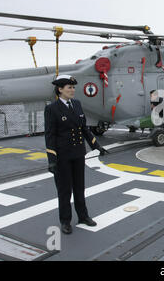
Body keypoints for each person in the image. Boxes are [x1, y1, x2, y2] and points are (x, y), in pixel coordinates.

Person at [45, 75, 109, 235]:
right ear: (60, 90)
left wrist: (97, 145)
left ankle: (83, 216)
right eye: (69, 88)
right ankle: (65, 221)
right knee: (65, 190)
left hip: (78, 154)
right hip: (62, 156)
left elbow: (84, 128)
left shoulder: (77, 105)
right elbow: (50, 136)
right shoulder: (52, 109)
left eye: (73, 87)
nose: (73, 90)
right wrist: (52, 160)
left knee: (79, 188)